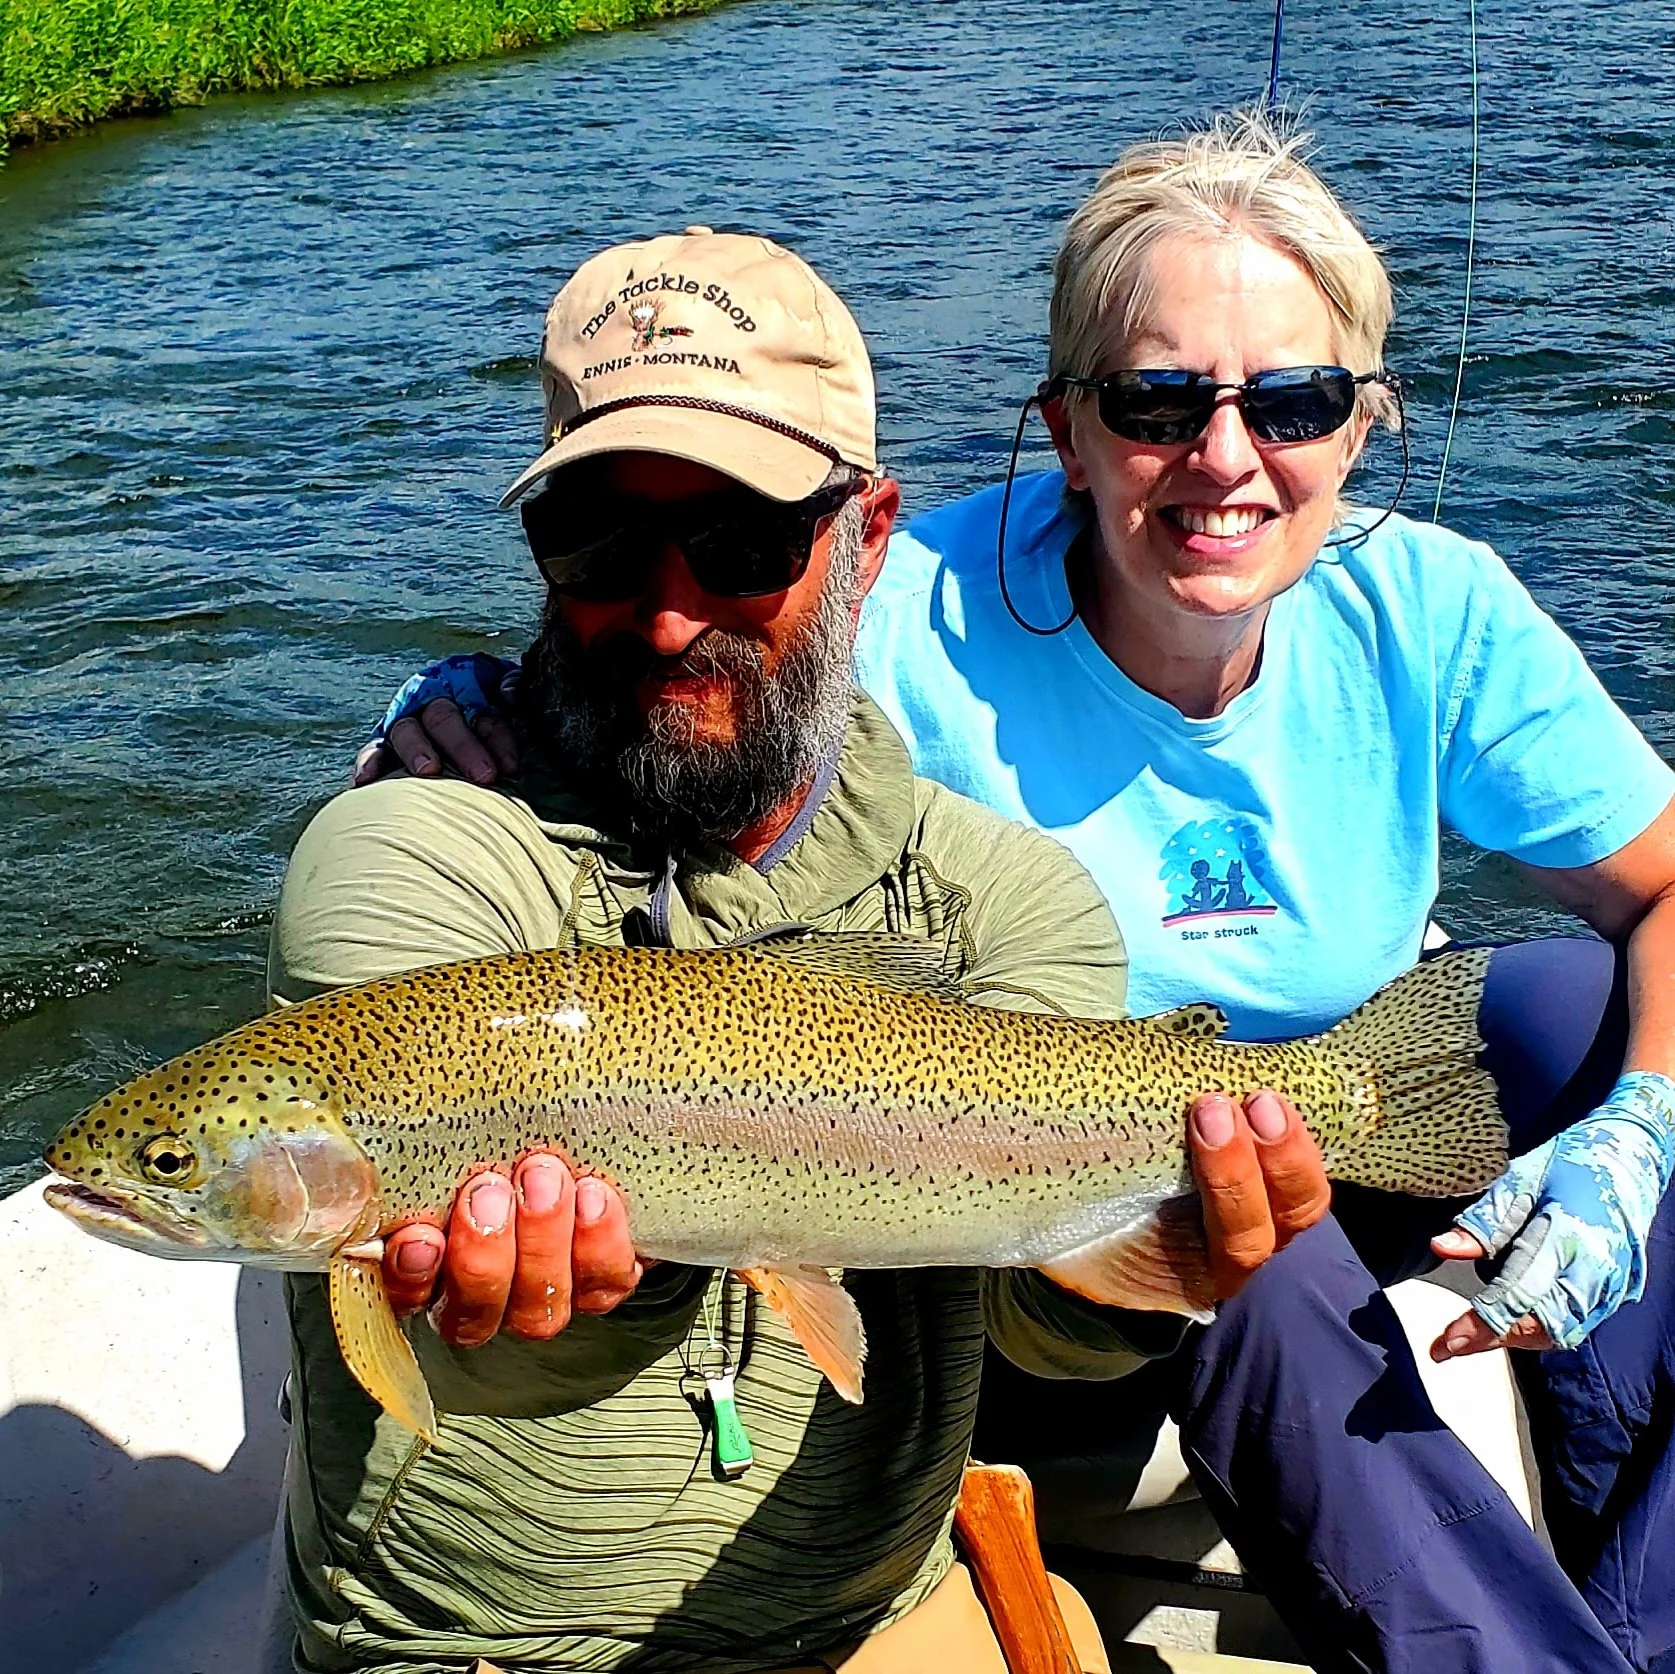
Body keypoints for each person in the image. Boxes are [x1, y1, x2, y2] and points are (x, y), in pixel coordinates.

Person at [370, 117, 1675, 1673]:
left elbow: (1662, 886)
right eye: (1153, 401)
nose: (1225, 458)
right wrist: (484, 702)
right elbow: (693, 647)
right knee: (1246, 1223)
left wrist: (1637, 1120)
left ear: (1361, 426)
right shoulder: (904, 622)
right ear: (1063, 428)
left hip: (1349, 1088)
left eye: (1297, 401)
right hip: (1053, 1195)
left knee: (1596, 1011)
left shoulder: (1434, 606)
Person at [266, 226, 1356, 1674]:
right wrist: (632, 1264)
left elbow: (1041, 1320)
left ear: (871, 535)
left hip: (875, 1620)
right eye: (594, 536)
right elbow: (477, 1354)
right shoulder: (415, 849)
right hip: (475, 1651)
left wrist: (1177, 1262)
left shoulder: (1003, 900)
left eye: (742, 541)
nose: (665, 610)